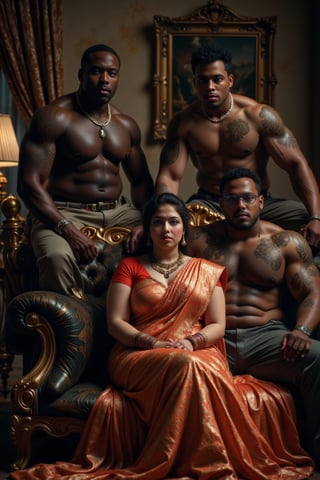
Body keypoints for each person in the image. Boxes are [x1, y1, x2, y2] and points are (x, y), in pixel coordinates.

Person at [10, 193, 314, 479]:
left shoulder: (206, 269)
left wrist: (190, 343)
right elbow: (116, 323)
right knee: (186, 365)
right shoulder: (130, 267)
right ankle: (194, 461)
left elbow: (216, 325)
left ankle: (198, 457)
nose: (166, 228)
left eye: (173, 221)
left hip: (196, 349)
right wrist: (151, 342)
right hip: (137, 352)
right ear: (148, 228)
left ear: (185, 230)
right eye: (158, 221)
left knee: (192, 364)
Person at [187, 167, 320, 468]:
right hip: (212, 340)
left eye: (248, 198)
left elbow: (313, 293)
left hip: (267, 338)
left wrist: (301, 330)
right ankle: (193, 457)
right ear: (220, 203)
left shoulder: (286, 243)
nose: (241, 206)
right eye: (232, 199)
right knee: (173, 364)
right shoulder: (199, 242)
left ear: (261, 201)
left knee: (319, 357)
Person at [155, 41, 320, 253]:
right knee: (171, 231)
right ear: (195, 83)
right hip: (209, 203)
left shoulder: (259, 116)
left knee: (310, 221)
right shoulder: (184, 123)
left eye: (217, 79)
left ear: (230, 80)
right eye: (202, 81)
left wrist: (316, 216)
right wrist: (165, 215)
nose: (210, 87)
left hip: (256, 203)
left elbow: (296, 165)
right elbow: (169, 176)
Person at [17, 44, 154, 298]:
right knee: (55, 256)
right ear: (81, 75)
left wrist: (147, 220)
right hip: (65, 211)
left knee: (169, 236)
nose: (104, 79)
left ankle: (143, 324)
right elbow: (29, 184)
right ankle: (72, 326)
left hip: (118, 211)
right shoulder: (54, 118)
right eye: (96, 71)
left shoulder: (125, 125)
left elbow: (141, 182)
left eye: (111, 73)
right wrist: (67, 229)